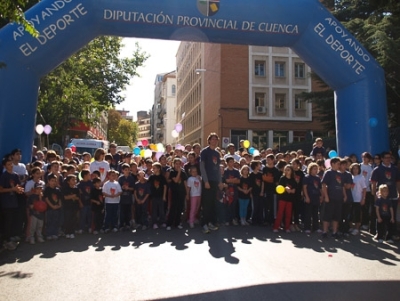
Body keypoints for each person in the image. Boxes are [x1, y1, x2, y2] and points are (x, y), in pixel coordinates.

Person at [370, 151, 400, 237]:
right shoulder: (377, 169)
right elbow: (374, 183)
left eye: (389, 157)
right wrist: (374, 195)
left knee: (392, 215)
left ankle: (391, 234)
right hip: (381, 197)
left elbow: (398, 182)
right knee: (381, 215)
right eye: (386, 157)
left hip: (393, 196)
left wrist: (399, 193)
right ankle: (379, 233)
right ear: (382, 159)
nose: (388, 159)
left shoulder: (395, 169)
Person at [200, 133, 223, 233]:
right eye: (212, 139)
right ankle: (204, 224)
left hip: (215, 181)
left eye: (216, 139)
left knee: (214, 203)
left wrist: (220, 181)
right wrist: (205, 181)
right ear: (209, 140)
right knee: (206, 203)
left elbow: (218, 168)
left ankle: (211, 223)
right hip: (207, 181)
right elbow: (202, 167)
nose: (214, 141)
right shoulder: (204, 152)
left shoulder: (217, 153)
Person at [0, 156, 24, 250]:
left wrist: (19, 190)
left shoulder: (15, 175)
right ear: (5, 166)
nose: (11, 166)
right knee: (7, 222)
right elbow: (1, 189)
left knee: (13, 220)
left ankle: (11, 238)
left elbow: (18, 186)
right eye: (9, 165)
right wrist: (12, 189)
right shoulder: (4, 176)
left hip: (14, 201)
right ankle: (6, 240)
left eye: (11, 164)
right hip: (6, 202)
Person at [321, 157, 347, 239]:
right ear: (332, 164)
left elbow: (342, 186)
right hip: (330, 197)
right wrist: (326, 196)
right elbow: (324, 185)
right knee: (327, 215)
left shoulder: (340, 174)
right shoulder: (328, 173)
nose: (339, 165)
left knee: (337, 216)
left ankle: (334, 232)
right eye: (338, 164)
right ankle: (325, 231)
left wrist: (345, 195)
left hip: (338, 198)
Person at [273, 164, 296, 233]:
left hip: (290, 199)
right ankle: (276, 227)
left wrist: (290, 190)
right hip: (282, 198)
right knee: (280, 213)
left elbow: (294, 190)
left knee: (288, 214)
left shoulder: (293, 180)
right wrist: (285, 188)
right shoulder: (282, 178)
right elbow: (280, 187)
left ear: (291, 171)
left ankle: (287, 228)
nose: (286, 171)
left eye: (288, 170)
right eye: (285, 170)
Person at [167, 158, 187, 230]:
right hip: (174, 192)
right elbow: (176, 180)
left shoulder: (183, 172)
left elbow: (185, 183)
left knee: (180, 208)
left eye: (179, 164)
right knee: (173, 208)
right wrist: (179, 172)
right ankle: (169, 223)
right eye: (176, 164)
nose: (178, 165)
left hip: (181, 192)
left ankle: (177, 223)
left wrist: (187, 193)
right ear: (173, 164)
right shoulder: (172, 172)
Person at [303, 163, 322, 233]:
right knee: (308, 213)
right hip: (309, 197)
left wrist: (321, 196)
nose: (316, 170)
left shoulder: (318, 178)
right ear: (310, 170)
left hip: (316, 197)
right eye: (314, 169)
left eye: (317, 169)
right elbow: (304, 188)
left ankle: (316, 227)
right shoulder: (307, 177)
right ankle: (307, 228)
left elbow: (320, 188)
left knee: (315, 213)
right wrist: (307, 197)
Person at [262, 154, 280, 226]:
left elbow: (274, 180)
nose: (267, 161)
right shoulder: (264, 169)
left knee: (273, 206)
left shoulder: (276, 170)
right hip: (266, 190)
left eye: (269, 159)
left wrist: (267, 179)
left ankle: (272, 220)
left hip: (273, 190)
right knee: (266, 205)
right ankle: (266, 220)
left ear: (273, 160)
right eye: (267, 160)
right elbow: (263, 179)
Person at [43, 173, 63, 240]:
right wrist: (52, 206)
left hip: (57, 208)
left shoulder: (57, 189)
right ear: (48, 181)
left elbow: (59, 198)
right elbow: (46, 199)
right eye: (52, 181)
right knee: (49, 221)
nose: (54, 182)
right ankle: (49, 234)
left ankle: (55, 233)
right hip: (49, 208)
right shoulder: (47, 189)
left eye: (55, 181)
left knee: (56, 221)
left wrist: (59, 205)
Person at [148, 162, 167, 229]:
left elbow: (165, 186)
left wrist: (164, 196)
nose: (153, 169)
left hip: (161, 196)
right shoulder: (151, 177)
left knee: (162, 210)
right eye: (153, 168)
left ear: (159, 169)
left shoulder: (162, 177)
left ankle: (162, 222)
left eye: (154, 168)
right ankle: (154, 223)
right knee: (154, 210)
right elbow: (148, 184)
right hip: (154, 196)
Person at [62, 174, 82, 239]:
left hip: (74, 206)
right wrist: (72, 196)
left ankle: (72, 232)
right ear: (68, 181)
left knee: (74, 219)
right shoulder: (65, 189)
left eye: (75, 180)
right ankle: (67, 232)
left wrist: (73, 197)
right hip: (67, 206)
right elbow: (65, 197)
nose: (74, 181)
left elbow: (78, 197)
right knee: (67, 219)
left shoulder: (76, 189)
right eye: (72, 180)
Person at [223, 156, 240, 226]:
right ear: (227, 163)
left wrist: (231, 181)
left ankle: (233, 219)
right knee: (227, 205)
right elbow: (226, 180)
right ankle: (227, 219)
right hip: (227, 190)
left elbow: (238, 181)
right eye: (230, 162)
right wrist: (234, 180)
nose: (232, 163)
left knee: (234, 205)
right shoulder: (225, 171)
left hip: (235, 190)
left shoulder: (236, 171)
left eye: (233, 161)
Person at [350, 163, 366, 235]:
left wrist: (363, 198)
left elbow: (364, 189)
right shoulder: (350, 177)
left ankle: (357, 228)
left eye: (357, 168)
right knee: (351, 214)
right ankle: (351, 227)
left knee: (357, 214)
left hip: (358, 199)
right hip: (351, 199)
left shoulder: (361, 177)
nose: (355, 170)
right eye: (354, 168)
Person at [118, 164, 135, 231]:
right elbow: (118, 187)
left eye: (128, 170)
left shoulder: (131, 178)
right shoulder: (120, 178)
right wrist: (122, 188)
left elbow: (133, 188)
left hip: (129, 197)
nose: (127, 171)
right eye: (125, 170)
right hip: (122, 198)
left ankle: (128, 224)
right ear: (122, 170)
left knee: (128, 211)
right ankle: (122, 224)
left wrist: (128, 188)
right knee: (122, 211)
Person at [360, 152, 374, 231]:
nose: (364, 159)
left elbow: (370, 179)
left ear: (369, 158)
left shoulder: (370, 168)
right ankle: (358, 222)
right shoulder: (359, 166)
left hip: (367, 190)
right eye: (363, 157)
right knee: (359, 208)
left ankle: (365, 223)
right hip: (359, 190)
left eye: (366, 157)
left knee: (366, 207)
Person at [77, 169, 93, 234]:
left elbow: (92, 192)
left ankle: (89, 227)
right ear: (85, 175)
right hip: (83, 203)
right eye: (89, 174)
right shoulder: (80, 184)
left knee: (90, 216)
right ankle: (81, 228)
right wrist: (80, 202)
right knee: (82, 216)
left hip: (90, 202)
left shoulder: (91, 183)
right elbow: (78, 195)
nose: (90, 175)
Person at [291, 159, 305, 232]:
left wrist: (302, 192)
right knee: (291, 209)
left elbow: (303, 184)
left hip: (298, 193)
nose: (293, 165)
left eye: (294, 164)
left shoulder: (301, 173)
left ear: (298, 165)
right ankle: (290, 224)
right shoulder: (290, 172)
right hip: (291, 193)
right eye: (292, 164)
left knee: (297, 209)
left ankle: (296, 224)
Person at [249, 160, 264, 225]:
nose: (260, 166)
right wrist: (250, 193)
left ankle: (260, 220)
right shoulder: (251, 175)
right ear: (255, 166)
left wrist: (262, 191)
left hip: (260, 192)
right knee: (255, 206)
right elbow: (250, 185)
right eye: (259, 165)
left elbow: (262, 183)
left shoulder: (260, 174)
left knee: (261, 206)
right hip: (254, 192)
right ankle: (254, 220)